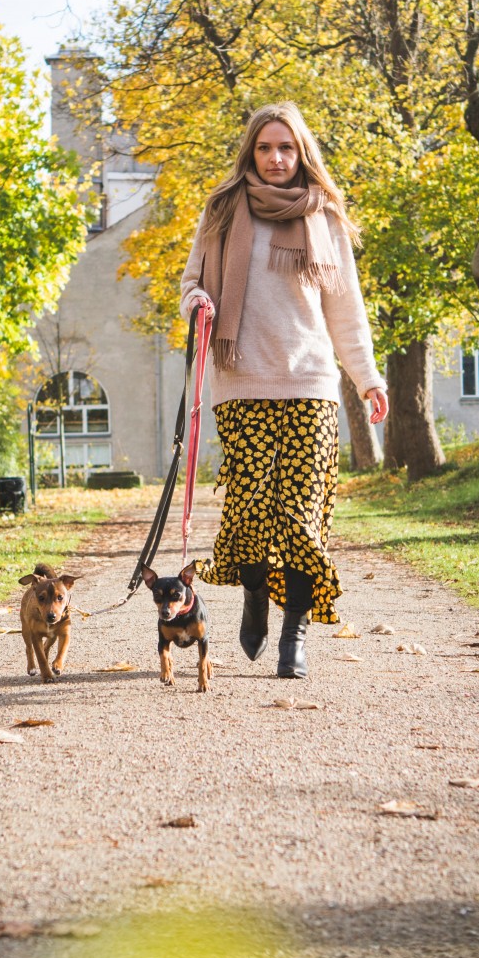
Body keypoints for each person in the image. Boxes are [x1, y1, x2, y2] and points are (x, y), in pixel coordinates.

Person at [180, 102, 388, 679]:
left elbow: (346, 311)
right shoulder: (222, 210)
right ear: (251, 151)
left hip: (310, 384)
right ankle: (253, 595)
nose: (276, 158)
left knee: (299, 518)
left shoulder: (325, 217)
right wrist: (197, 302)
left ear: (302, 154)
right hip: (240, 383)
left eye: (287, 148)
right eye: (266, 147)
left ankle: (293, 634)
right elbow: (193, 280)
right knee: (249, 513)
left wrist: (367, 377)